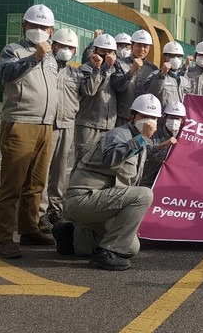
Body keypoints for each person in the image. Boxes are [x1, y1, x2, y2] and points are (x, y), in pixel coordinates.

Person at [53, 94, 160, 271]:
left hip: (103, 202)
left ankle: (71, 236)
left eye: (154, 118)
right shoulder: (119, 134)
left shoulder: (141, 142)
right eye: (143, 116)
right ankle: (106, 254)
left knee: (131, 247)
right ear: (132, 117)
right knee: (144, 195)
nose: (149, 122)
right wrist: (142, 138)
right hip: (84, 199)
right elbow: (110, 159)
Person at [0, 4, 58, 258]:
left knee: (36, 183)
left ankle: (30, 228)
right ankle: (4, 239)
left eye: (45, 27)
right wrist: (34, 58)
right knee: (12, 184)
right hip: (20, 123)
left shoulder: (53, 56)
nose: (40, 31)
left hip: (45, 125)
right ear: (24, 25)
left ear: (52, 30)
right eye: (34, 26)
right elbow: (7, 74)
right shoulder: (13, 50)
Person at [38, 29, 86, 233]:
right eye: (62, 46)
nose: (66, 50)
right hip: (47, 124)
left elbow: (88, 92)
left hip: (67, 124)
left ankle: (54, 210)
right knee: (42, 169)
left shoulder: (76, 73)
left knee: (59, 171)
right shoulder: (44, 67)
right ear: (53, 45)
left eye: (70, 47)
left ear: (75, 51)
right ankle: (39, 213)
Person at [74, 33, 118, 166]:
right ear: (94, 51)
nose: (106, 55)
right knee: (83, 163)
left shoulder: (116, 70)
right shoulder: (85, 68)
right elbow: (90, 90)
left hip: (109, 125)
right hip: (89, 124)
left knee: (101, 166)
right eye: (102, 51)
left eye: (110, 52)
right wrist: (102, 68)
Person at [112, 29, 159, 126]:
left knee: (141, 141)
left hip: (143, 117)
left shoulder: (153, 69)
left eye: (145, 46)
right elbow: (118, 87)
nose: (142, 49)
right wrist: (132, 71)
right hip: (123, 116)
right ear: (132, 46)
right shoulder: (120, 63)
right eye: (138, 45)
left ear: (149, 48)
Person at [140, 101, 184, 188]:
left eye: (177, 118)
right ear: (165, 117)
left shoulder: (184, 137)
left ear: (182, 121)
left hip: (172, 182)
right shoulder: (153, 133)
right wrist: (163, 145)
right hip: (150, 180)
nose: (174, 121)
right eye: (171, 117)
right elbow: (144, 153)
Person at [147, 41, 192, 109]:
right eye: (172, 56)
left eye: (179, 56)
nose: (176, 59)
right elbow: (150, 95)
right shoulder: (155, 75)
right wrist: (161, 75)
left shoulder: (185, 80)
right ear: (164, 57)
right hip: (162, 117)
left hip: (179, 117)